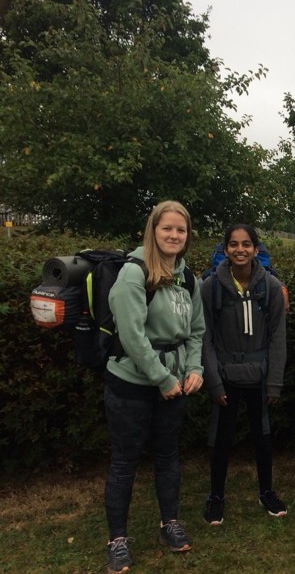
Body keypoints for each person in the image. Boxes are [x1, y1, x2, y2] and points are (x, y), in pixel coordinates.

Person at [104, 201, 205, 573]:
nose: (174, 235)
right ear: (153, 230)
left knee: (167, 457)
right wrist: (162, 379)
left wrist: (195, 368)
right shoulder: (134, 273)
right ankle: (117, 539)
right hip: (132, 384)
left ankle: (169, 524)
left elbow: (196, 331)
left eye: (181, 230)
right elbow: (131, 336)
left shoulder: (188, 277)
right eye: (167, 229)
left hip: (175, 384)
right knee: (124, 462)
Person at [201, 224, 288, 525]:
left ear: (256, 249)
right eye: (234, 244)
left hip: (260, 375)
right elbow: (204, 337)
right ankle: (216, 496)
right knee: (221, 438)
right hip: (225, 374)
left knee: (262, 436)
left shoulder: (270, 287)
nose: (240, 249)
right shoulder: (210, 287)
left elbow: (278, 336)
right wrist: (213, 381)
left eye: (247, 244)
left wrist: (274, 382)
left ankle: (266, 491)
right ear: (225, 250)